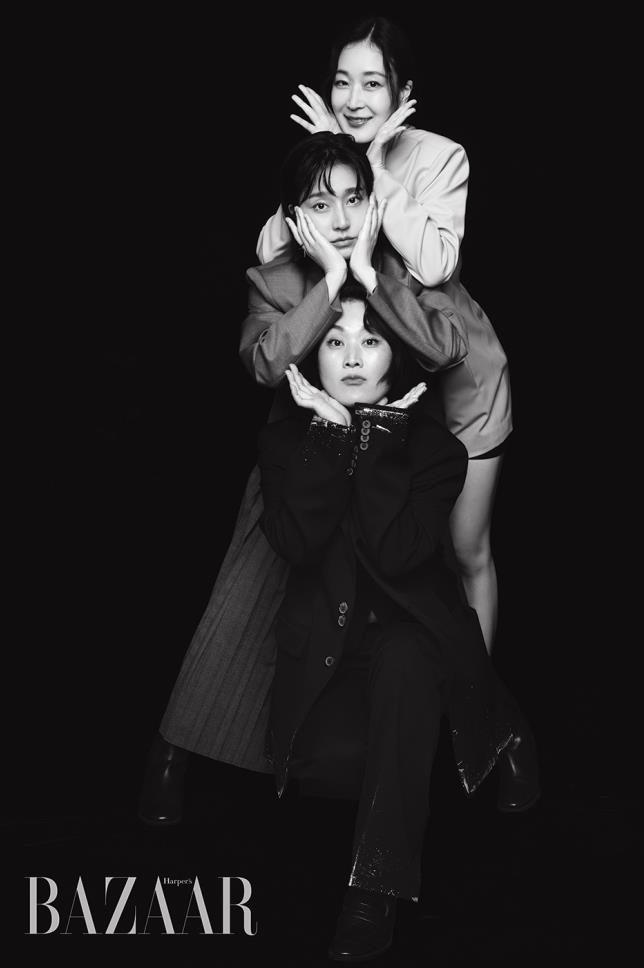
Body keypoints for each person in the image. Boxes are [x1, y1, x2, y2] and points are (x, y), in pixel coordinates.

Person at [138, 132, 482, 824]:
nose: (342, 218)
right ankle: (172, 754)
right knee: (244, 605)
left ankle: (474, 739)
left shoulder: (403, 269)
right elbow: (266, 363)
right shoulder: (277, 280)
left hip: (388, 464)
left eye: (354, 198)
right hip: (302, 461)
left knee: (403, 611)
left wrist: (371, 274)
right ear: (295, 216)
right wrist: (328, 280)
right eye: (321, 204)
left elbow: (446, 349)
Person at [258, 290, 537, 961]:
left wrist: (378, 441)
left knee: (408, 662)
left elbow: (396, 554)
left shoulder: (436, 450)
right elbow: (297, 544)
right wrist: (330, 439)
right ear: (314, 358)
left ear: (397, 359)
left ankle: (371, 895)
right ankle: (501, 720)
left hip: (413, 636)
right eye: (335, 342)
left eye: (371, 341)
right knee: (326, 770)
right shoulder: (284, 441)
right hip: (331, 650)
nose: (353, 357)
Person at [257, 16, 512, 657]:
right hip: (383, 374)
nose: (354, 100)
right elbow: (268, 252)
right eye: (342, 82)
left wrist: (370, 163)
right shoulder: (327, 157)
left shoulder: (440, 156)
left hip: (458, 374)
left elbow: (434, 265)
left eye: (373, 83)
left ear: (403, 92)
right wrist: (329, 157)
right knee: (390, 552)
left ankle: (479, 701)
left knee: (465, 550)